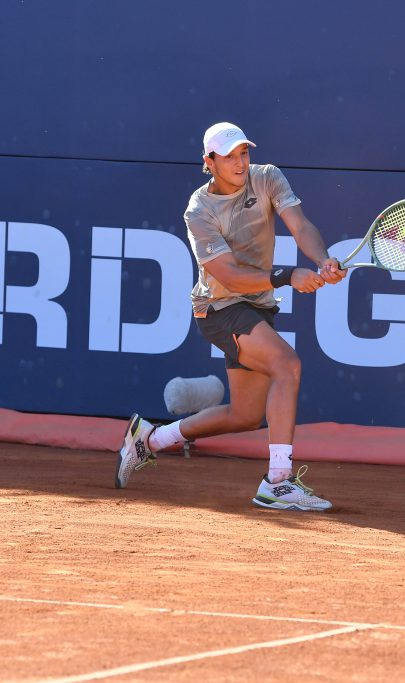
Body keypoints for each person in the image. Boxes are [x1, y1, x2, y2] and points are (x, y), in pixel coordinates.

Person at [116, 122, 346, 511]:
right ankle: (277, 481)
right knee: (287, 365)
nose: (240, 163)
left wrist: (322, 260)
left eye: (244, 153)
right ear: (209, 162)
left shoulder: (267, 178)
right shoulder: (199, 211)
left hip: (257, 306)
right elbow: (229, 275)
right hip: (219, 308)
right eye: (229, 156)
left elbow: (301, 225)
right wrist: (289, 276)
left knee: (244, 415)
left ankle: (150, 439)